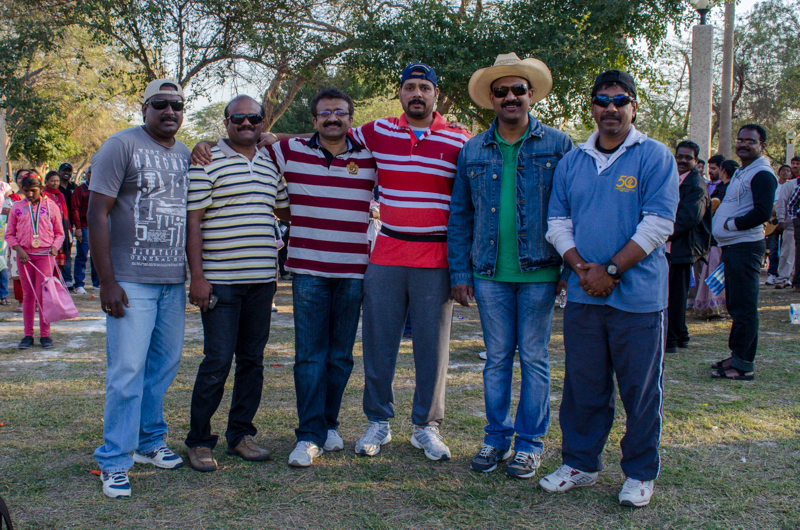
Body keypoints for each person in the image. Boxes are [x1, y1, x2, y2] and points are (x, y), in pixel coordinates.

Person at [542, 70, 679, 507]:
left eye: (620, 100)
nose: (611, 108)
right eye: (602, 100)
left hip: (638, 299)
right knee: (584, 385)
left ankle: (639, 472)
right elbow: (557, 223)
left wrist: (612, 270)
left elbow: (658, 223)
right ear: (592, 108)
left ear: (634, 106)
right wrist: (582, 269)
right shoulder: (573, 161)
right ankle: (580, 463)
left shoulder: (654, 156)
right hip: (584, 294)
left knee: (640, 390)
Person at [448, 53, 572, 478]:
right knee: (497, 359)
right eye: (501, 91)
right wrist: (460, 273)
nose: (510, 97)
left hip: (541, 272)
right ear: (492, 99)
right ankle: (496, 439)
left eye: (518, 89)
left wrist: (568, 272)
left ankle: (530, 445)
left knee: (534, 358)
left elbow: (571, 210)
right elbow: (460, 215)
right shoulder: (472, 149)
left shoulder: (558, 145)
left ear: (531, 94)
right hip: (489, 274)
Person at [348, 63, 471, 461]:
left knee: (432, 348)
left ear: (436, 94)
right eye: (409, 87)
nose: (417, 93)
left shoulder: (460, 139)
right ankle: (378, 421)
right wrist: (269, 137)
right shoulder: (378, 131)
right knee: (378, 342)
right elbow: (328, 136)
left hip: (436, 256)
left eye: (424, 87)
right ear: (400, 93)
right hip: (387, 252)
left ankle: (426, 426)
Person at [261, 87, 378, 467]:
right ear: (313, 120)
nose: (332, 118)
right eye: (324, 113)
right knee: (309, 356)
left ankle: (328, 425)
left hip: (353, 271)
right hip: (308, 270)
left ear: (351, 119)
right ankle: (308, 435)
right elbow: (248, 144)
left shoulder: (369, 155)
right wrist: (202, 145)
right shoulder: (289, 150)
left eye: (340, 112)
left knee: (340, 357)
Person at [89, 79, 190, 498]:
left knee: (163, 367)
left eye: (177, 105)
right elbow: (97, 213)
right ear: (144, 107)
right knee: (127, 371)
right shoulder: (121, 145)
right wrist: (107, 281)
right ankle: (114, 459)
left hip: (172, 280)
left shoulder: (185, 153)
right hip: (130, 281)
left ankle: (150, 441)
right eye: (160, 104)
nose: (169, 111)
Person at [184, 95, 289, 472]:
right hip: (220, 283)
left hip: (262, 283)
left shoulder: (271, 163)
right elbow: (193, 222)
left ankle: (241, 435)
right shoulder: (206, 160)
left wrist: (279, 142)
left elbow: (284, 210)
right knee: (217, 361)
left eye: (254, 119)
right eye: (238, 118)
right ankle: (199, 441)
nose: (246, 124)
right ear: (226, 122)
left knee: (252, 361)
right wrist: (197, 278)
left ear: (263, 122)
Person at [711, 124, 777, 380]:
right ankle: (736, 355)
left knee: (745, 307)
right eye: (740, 139)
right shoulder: (743, 171)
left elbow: (762, 212)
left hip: (746, 246)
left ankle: (743, 365)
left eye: (750, 141)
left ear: (762, 146)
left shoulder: (762, 174)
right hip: (733, 246)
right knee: (736, 305)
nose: (743, 144)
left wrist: (730, 225)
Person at [4, 175, 64, 348]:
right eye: (26, 191)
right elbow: (9, 234)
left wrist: (55, 246)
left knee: (43, 295)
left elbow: (60, 233)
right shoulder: (17, 207)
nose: (29, 194)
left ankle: (45, 335)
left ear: (41, 189)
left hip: (45, 256)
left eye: (34, 191)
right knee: (28, 295)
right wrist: (19, 250)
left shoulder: (51, 206)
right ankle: (28, 335)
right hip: (25, 257)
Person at [665, 140, 711, 353]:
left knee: (675, 295)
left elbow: (689, 218)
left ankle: (671, 340)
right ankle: (682, 335)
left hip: (684, 246)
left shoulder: (696, 184)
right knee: (675, 292)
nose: (682, 160)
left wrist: (661, 234)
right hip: (674, 245)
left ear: (696, 160)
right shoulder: (676, 179)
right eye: (679, 156)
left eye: (688, 157)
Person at [693, 159, 739, 320]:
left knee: (716, 272)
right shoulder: (729, 189)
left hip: (719, 239)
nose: (711, 171)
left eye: (714, 168)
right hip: (721, 238)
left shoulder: (725, 191)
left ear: (723, 170)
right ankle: (716, 306)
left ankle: (717, 308)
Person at [70, 165, 98, 293]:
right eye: (90, 172)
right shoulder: (80, 190)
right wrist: (78, 228)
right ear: (86, 174)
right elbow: (74, 209)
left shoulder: (100, 189)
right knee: (82, 256)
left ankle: (97, 283)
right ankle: (79, 284)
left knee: (97, 256)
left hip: (98, 227)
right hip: (84, 227)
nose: (93, 174)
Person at [775, 158, 800, 288]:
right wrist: (781, 220)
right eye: (794, 164)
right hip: (791, 224)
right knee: (787, 253)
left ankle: (795, 279)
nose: (796, 167)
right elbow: (782, 204)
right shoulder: (789, 185)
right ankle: (782, 278)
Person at [766, 164, 792, 286]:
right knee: (773, 248)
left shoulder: (791, 186)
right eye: (783, 170)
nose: (785, 173)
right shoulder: (774, 186)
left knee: (786, 249)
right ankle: (772, 273)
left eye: (788, 171)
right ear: (779, 172)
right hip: (772, 221)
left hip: (786, 219)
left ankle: (785, 274)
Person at [58, 163, 76, 286]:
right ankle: (57, 277)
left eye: (69, 171)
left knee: (67, 252)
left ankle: (67, 279)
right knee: (58, 251)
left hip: (69, 224)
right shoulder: (55, 188)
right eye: (64, 171)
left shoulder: (73, 187)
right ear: (59, 172)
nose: (67, 173)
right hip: (57, 224)